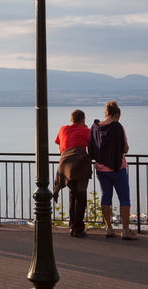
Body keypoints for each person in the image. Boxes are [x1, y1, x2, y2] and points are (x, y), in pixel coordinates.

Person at [88, 101, 138, 240]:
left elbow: (91, 146)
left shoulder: (96, 127)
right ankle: (125, 230)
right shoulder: (118, 127)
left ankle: (109, 228)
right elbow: (125, 149)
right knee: (124, 199)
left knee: (105, 196)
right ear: (117, 114)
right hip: (117, 168)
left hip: (101, 168)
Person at [53, 110, 92, 238]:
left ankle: (72, 226)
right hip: (80, 166)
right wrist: (85, 129)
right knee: (80, 198)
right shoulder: (86, 131)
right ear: (83, 119)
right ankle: (77, 229)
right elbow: (91, 146)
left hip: (65, 167)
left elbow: (60, 148)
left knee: (72, 195)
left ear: (71, 119)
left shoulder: (63, 129)